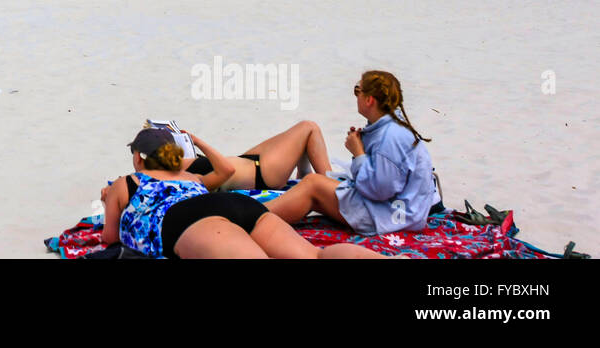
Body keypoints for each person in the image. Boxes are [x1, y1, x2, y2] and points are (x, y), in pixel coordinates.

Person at [100, 128, 381, 259]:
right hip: (235, 204)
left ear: (138, 158)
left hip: (189, 219)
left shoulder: (127, 183)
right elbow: (223, 172)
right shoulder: (190, 176)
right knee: (315, 256)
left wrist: (109, 200)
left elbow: (109, 239)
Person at [264, 71, 439, 235]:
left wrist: (358, 153)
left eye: (358, 91)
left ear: (369, 100)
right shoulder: (390, 126)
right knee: (319, 188)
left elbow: (379, 191)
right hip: (401, 212)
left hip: (396, 217)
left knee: (313, 184)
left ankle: (252, 218)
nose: (356, 97)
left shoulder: (390, 137)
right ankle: (261, 214)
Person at [176, 120, 330, 192]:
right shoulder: (187, 177)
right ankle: (332, 186)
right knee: (309, 128)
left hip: (248, 161)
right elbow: (226, 170)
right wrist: (197, 141)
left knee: (298, 139)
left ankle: (303, 175)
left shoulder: (178, 169)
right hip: (263, 174)